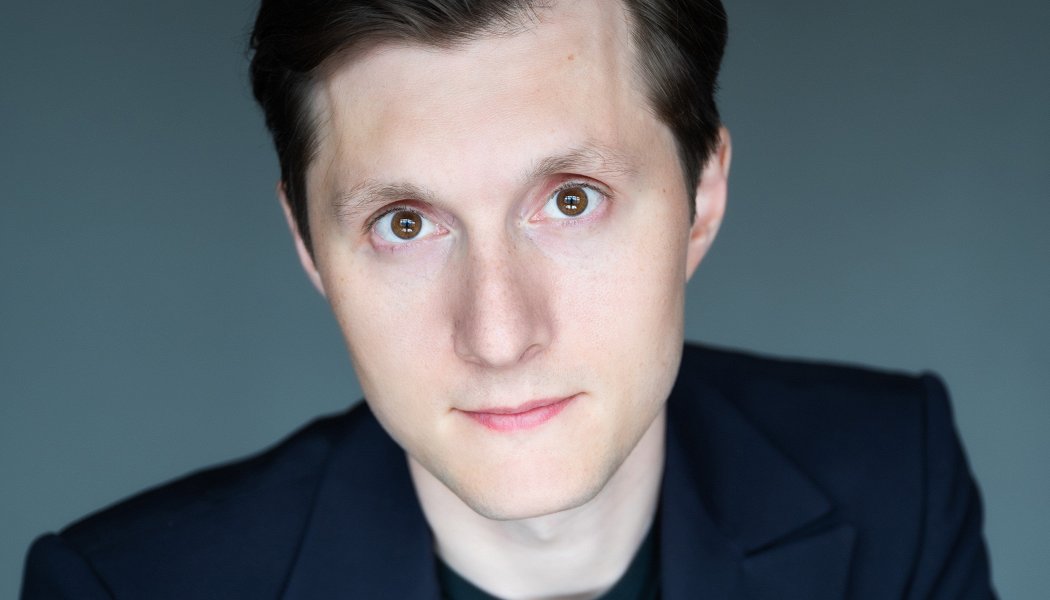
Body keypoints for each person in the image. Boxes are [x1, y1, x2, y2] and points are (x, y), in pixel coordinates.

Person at [21, 0, 995, 598]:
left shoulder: (895, 482)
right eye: (405, 223)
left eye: (572, 200)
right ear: (309, 245)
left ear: (702, 198)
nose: (497, 333)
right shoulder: (122, 588)